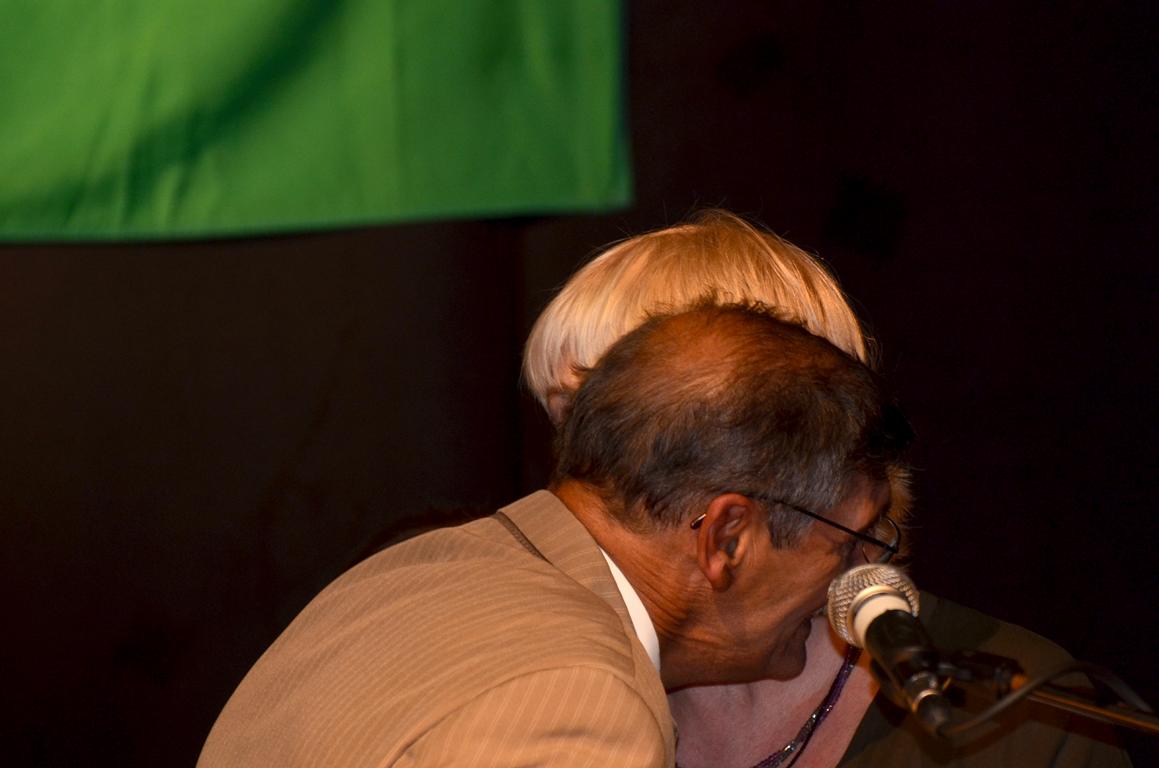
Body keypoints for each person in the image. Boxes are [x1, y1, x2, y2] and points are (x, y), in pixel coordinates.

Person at [523, 209, 1131, 767]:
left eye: (624, 433)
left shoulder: (1021, 718)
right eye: (571, 433)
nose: (589, 492)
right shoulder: (537, 692)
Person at [198, 303, 907, 767]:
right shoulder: (584, 704)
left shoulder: (411, 570)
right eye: (846, 542)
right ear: (726, 538)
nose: (855, 574)